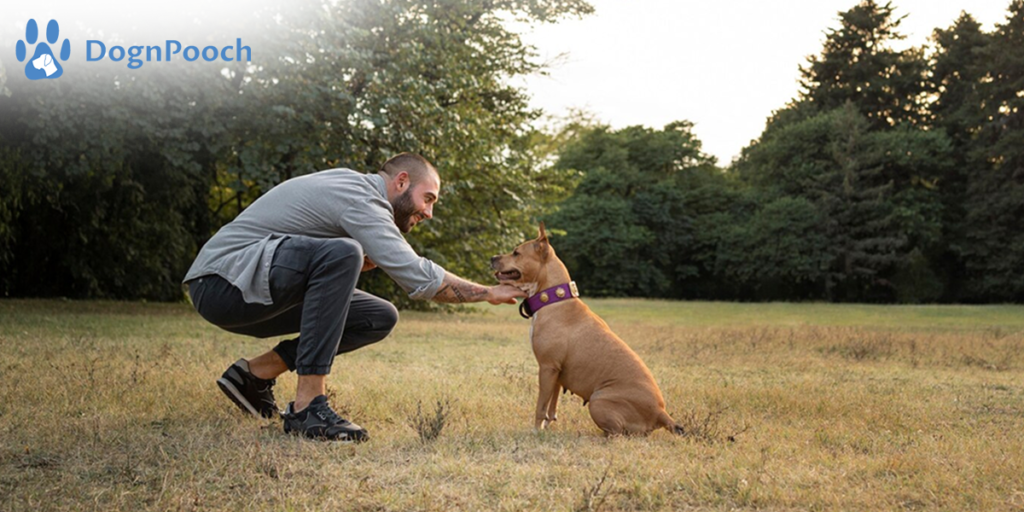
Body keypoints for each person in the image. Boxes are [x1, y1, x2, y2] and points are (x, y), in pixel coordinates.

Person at [183, 153, 525, 442]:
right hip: (220, 284)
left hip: (256, 292)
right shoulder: (361, 196)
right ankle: (308, 408)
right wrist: (489, 292)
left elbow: (319, 265)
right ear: (402, 181)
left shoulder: (357, 196)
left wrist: (353, 260)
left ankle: (254, 375)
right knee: (344, 252)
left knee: (378, 315)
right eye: (428, 199)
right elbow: (416, 275)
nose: (428, 212)